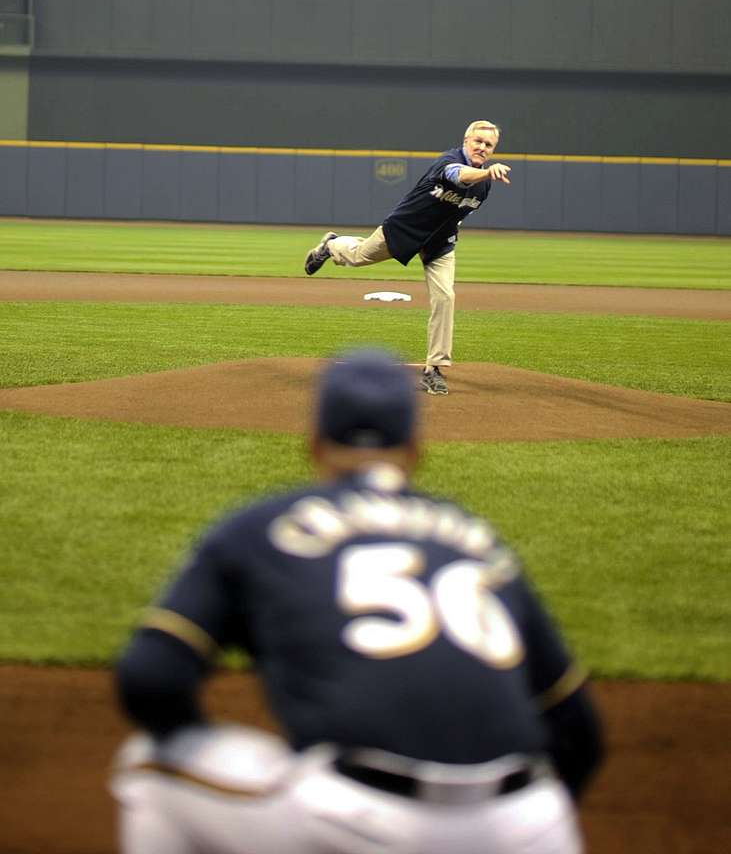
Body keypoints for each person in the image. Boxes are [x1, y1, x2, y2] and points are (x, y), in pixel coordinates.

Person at [110, 349, 604, 854]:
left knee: (148, 761)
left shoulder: (260, 527)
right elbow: (580, 733)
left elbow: (149, 679)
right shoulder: (476, 539)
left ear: (315, 444)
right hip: (527, 824)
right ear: (414, 449)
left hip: (357, 820)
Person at [303, 121, 511, 396]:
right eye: (478, 141)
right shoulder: (449, 161)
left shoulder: (485, 186)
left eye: (488, 145)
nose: (482, 148)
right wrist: (485, 175)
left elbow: (459, 212)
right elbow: (457, 175)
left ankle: (433, 369)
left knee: (445, 297)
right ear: (466, 141)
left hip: (440, 244)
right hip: (405, 229)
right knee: (359, 255)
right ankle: (331, 246)